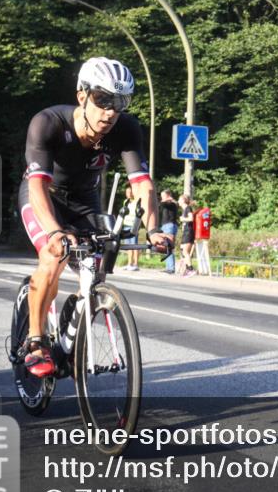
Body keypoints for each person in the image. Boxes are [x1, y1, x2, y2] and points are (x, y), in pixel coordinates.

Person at [18, 57, 173, 377]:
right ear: (82, 96)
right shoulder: (47, 123)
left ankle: (70, 330)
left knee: (95, 270)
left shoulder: (126, 128)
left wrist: (154, 230)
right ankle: (34, 342)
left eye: (120, 102)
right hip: (44, 196)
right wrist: (55, 233)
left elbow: (142, 183)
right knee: (53, 256)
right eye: (103, 99)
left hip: (84, 201)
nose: (111, 111)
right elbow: (36, 186)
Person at [120, 185, 143, 271]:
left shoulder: (137, 201)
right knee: (128, 246)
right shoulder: (125, 201)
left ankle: (136, 264)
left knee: (134, 245)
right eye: (127, 192)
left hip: (134, 226)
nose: (128, 194)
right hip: (126, 225)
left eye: (130, 192)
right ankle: (129, 263)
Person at [158, 189, 180, 274]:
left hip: (169, 226)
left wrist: (168, 199)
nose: (161, 198)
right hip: (167, 225)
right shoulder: (169, 203)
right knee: (166, 246)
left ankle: (171, 268)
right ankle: (168, 267)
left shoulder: (171, 203)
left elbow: (163, 204)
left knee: (168, 246)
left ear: (168, 195)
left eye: (163, 196)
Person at [178, 193, 196, 276]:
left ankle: (190, 269)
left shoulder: (188, 208)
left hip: (188, 232)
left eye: (179, 199)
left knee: (185, 251)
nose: (178, 201)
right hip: (186, 232)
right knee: (182, 251)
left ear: (183, 200)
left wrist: (183, 219)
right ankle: (185, 269)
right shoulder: (184, 209)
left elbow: (191, 218)